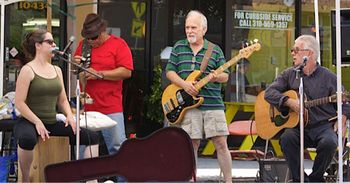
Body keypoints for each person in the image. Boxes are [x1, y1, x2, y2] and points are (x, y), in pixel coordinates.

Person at [14, 29, 99, 182]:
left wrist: (70, 116)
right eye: (50, 42)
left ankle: (91, 180)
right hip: (29, 121)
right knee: (27, 139)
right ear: (38, 45)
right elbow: (19, 102)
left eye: (54, 42)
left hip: (51, 122)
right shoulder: (28, 70)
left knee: (91, 136)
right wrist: (37, 121)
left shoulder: (57, 70)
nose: (54, 45)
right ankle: (25, 179)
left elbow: (63, 100)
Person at [264, 35, 350, 182]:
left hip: (323, 126)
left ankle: (315, 178)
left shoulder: (329, 77)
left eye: (296, 50)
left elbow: (346, 103)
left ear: (309, 53)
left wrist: (342, 118)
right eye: (292, 50)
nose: (292, 53)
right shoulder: (289, 74)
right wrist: (288, 102)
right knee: (286, 139)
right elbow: (268, 93)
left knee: (329, 143)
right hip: (297, 127)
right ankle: (299, 179)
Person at [165, 10, 232, 182]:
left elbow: (226, 76)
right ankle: (191, 179)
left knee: (221, 144)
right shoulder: (179, 47)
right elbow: (170, 72)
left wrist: (217, 76)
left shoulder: (215, 50)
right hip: (188, 106)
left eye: (193, 27)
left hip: (213, 105)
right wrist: (184, 85)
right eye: (187, 27)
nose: (189, 31)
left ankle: (229, 181)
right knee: (191, 145)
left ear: (204, 29)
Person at [74, 13, 133, 155]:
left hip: (111, 107)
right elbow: (79, 75)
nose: (90, 41)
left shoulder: (118, 44)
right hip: (88, 107)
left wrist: (100, 74)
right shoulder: (84, 46)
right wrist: (79, 69)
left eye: (93, 37)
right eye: (87, 37)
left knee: (118, 148)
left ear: (103, 32)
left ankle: (123, 178)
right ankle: (86, 177)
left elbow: (127, 72)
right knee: (84, 149)